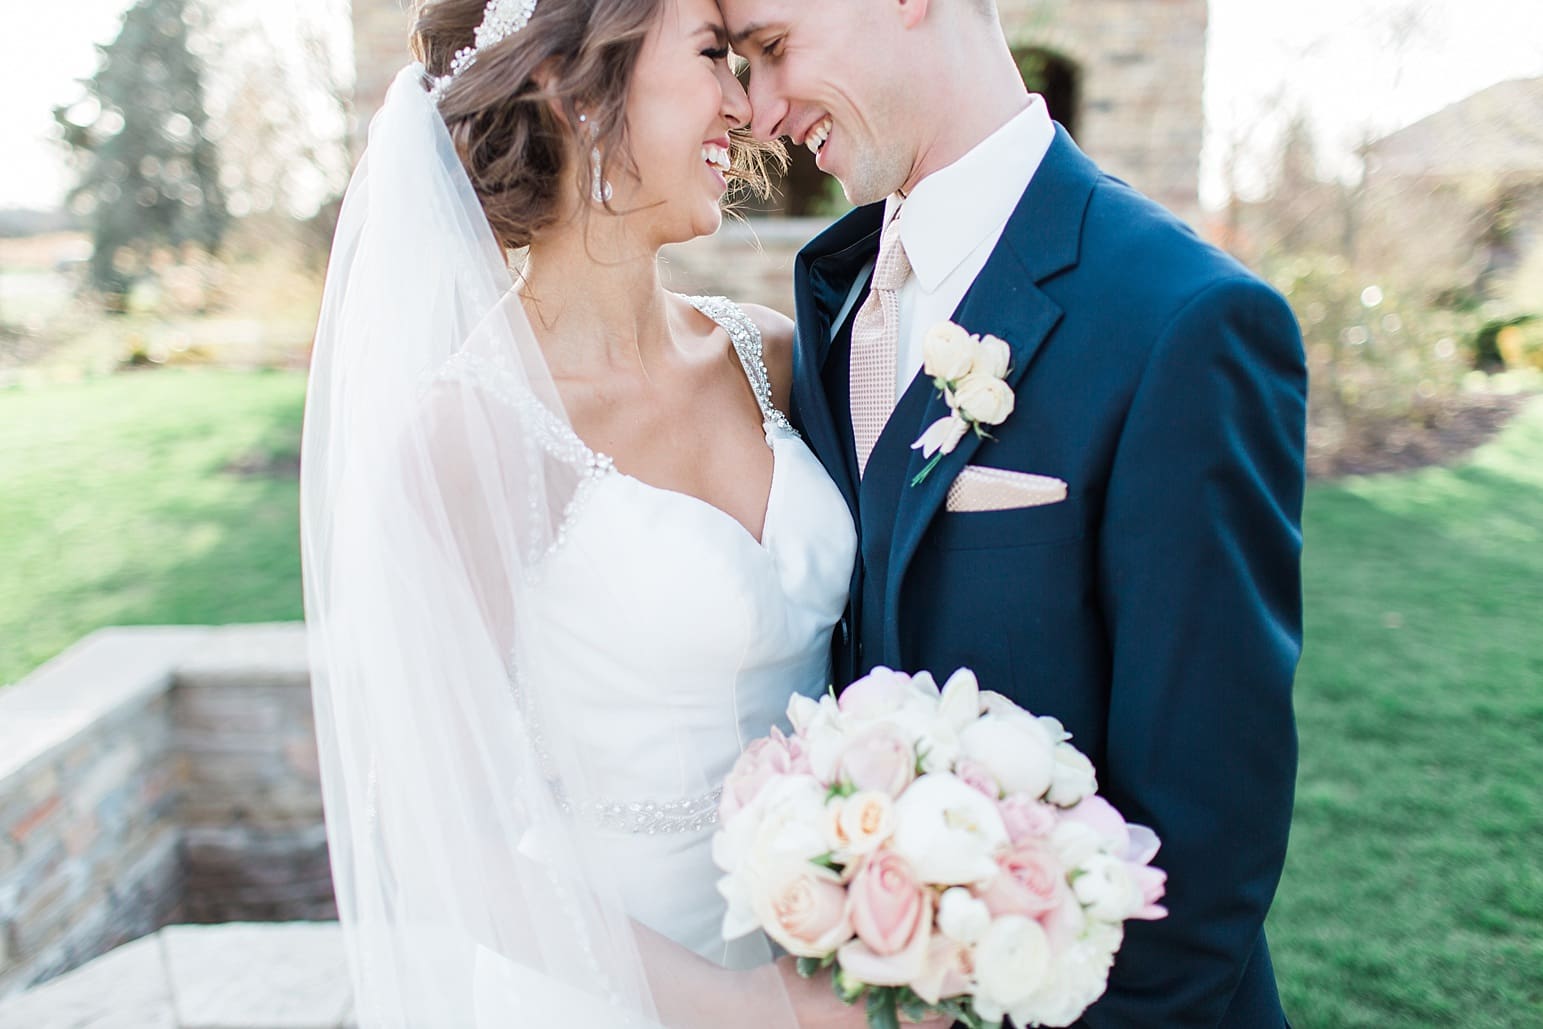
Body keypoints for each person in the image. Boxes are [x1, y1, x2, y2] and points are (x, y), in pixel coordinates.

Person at [301, 0, 939, 1025]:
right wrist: (747, 1009)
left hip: (842, 948)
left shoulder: (770, 354)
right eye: (711, 59)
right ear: (566, 83)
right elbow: (439, 839)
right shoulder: (469, 435)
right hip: (615, 988)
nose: (747, 105)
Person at [721, 0, 1308, 1025]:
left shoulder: (1186, 320)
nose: (760, 112)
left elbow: (1209, 835)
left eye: (772, 49)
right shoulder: (834, 295)